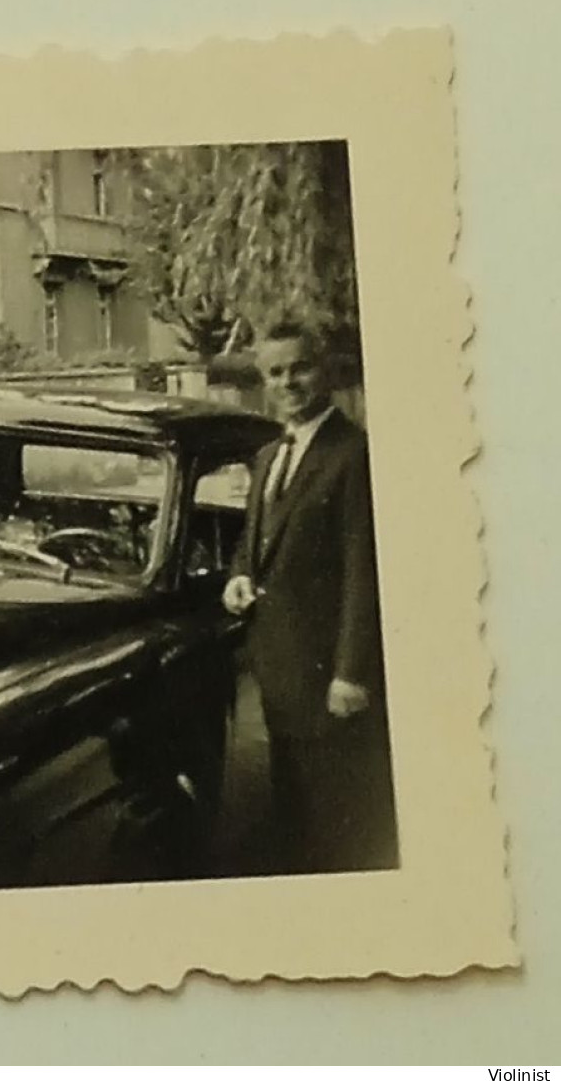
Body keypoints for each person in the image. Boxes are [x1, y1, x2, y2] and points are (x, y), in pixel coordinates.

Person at [222, 323, 397, 874]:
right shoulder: (269, 455)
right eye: (275, 372)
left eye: (299, 368)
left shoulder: (354, 453)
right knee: (291, 807)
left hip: (330, 678)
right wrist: (237, 577)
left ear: (324, 371)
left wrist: (351, 673)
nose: (288, 381)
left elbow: (363, 570)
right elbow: (255, 544)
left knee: (342, 817)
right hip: (278, 670)